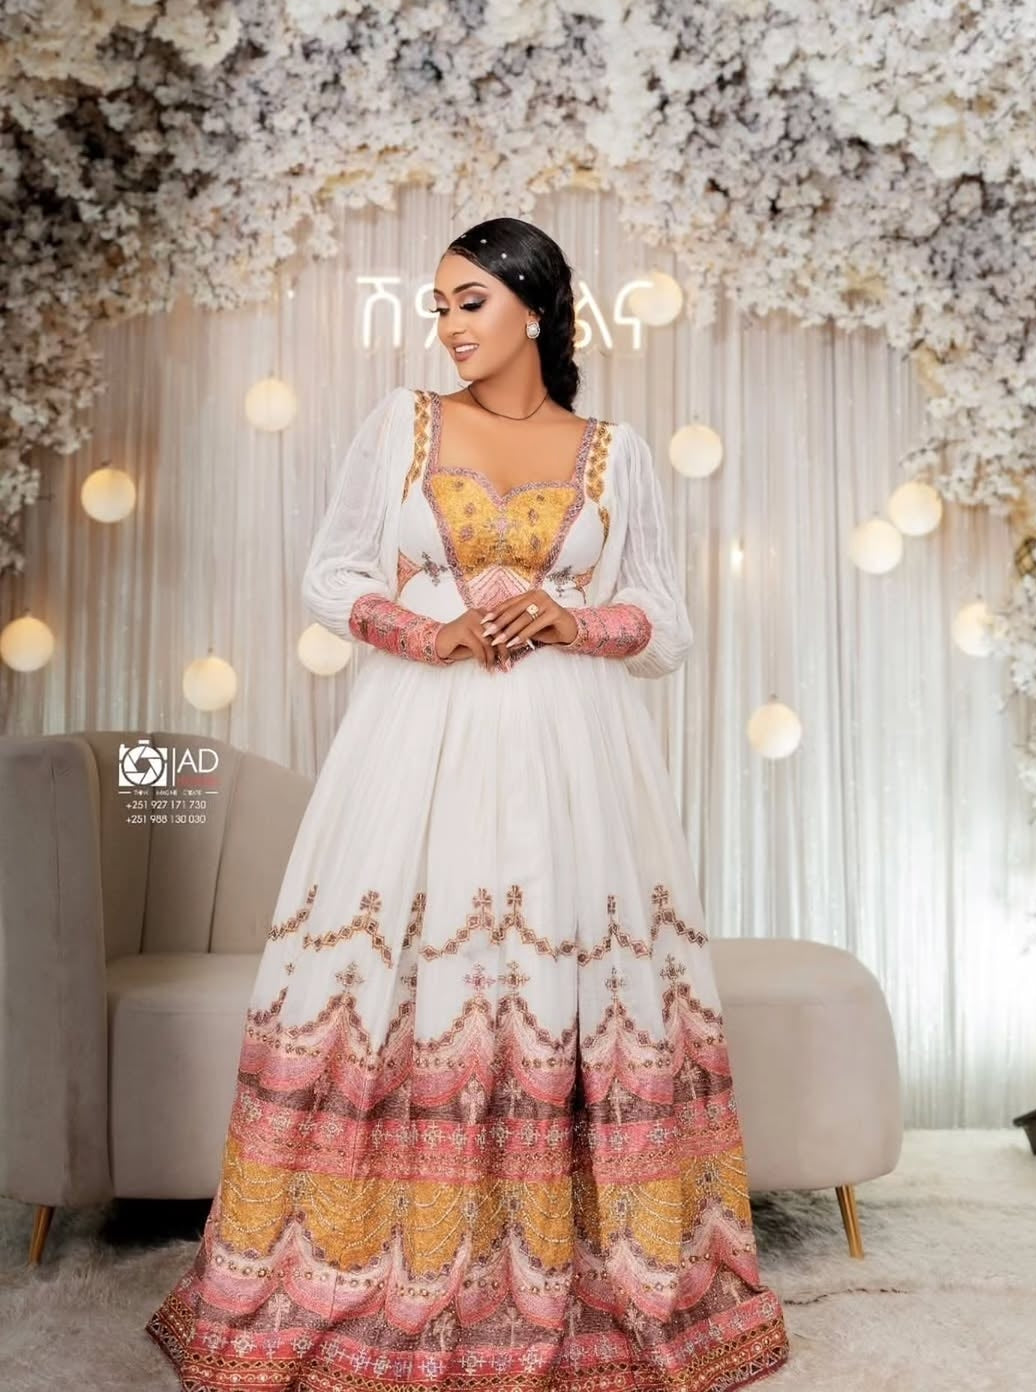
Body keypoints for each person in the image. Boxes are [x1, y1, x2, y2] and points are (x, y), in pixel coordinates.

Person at [146, 216, 790, 1390]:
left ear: (537, 308)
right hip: (415, 747)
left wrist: (569, 619)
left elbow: (668, 622)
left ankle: (577, 1270)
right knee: (404, 980)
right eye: (437, 306)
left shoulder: (615, 450)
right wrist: (428, 632)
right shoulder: (401, 424)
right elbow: (332, 574)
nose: (446, 327)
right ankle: (371, 1258)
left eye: (469, 303)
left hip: (573, 758)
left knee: (564, 984)